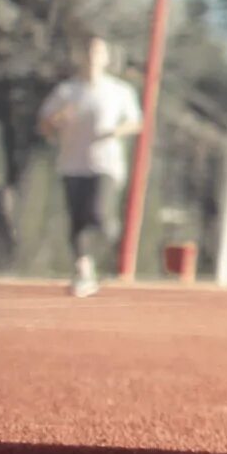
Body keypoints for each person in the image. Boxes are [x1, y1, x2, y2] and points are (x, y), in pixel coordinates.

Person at [37, 35, 143, 298]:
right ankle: (84, 269)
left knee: (98, 214)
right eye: (88, 51)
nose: (92, 56)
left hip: (105, 164)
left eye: (98, 51)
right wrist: (58, 119)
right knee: (77, 219)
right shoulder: (67, 91)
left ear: (106, 57)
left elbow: (135, 122)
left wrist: (116, 131)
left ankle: (109, 238)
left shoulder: (119, 91)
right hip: (73, 163)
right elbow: (45, 123)